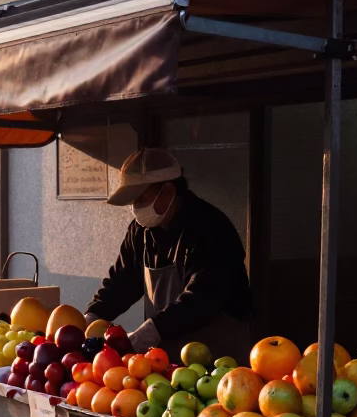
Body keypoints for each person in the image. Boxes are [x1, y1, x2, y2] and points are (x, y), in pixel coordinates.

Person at [84, 148, 253, 362]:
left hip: (218, 353)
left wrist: (154, 328)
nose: (136, 208)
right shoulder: (141, 231)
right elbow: (123, 280)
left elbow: (205, 295)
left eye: (141, 198)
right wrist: (93, 315)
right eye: (133, 201)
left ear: (167, 190)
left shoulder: (210, 228)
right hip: (168, 355)